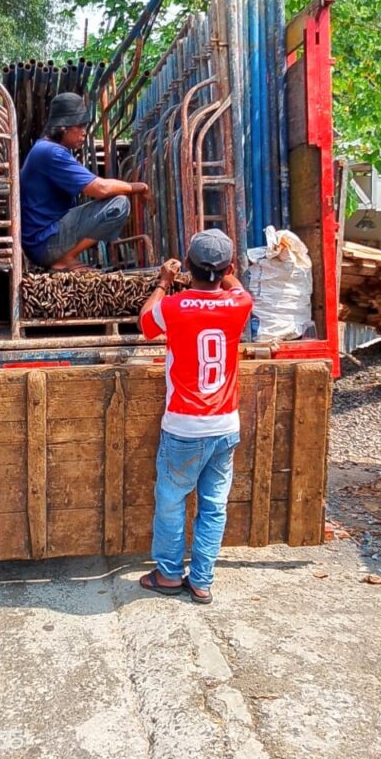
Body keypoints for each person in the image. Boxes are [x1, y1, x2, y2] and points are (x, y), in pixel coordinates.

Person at [137, 230, 253, 605]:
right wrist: (223, 274)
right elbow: (234, 286)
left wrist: (164, 283)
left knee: (171, 500)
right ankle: (201, 580)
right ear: (229, 268)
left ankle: (169, 575)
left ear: (187, 267)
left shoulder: (173, 306)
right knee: (213, 505)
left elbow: (145, 324)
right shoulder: (240, 304)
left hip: (184, 426)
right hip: (224, 426)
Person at [19, 92, 151, 270]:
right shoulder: (52, 152)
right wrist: (139, 187)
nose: (84, 133)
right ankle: (66, 259)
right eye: (79, 127)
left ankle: (65, 258)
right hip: (45, 243)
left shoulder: (46, 148)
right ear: (63, 128)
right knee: (119, 204)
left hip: (42, 241)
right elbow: (100, 189)